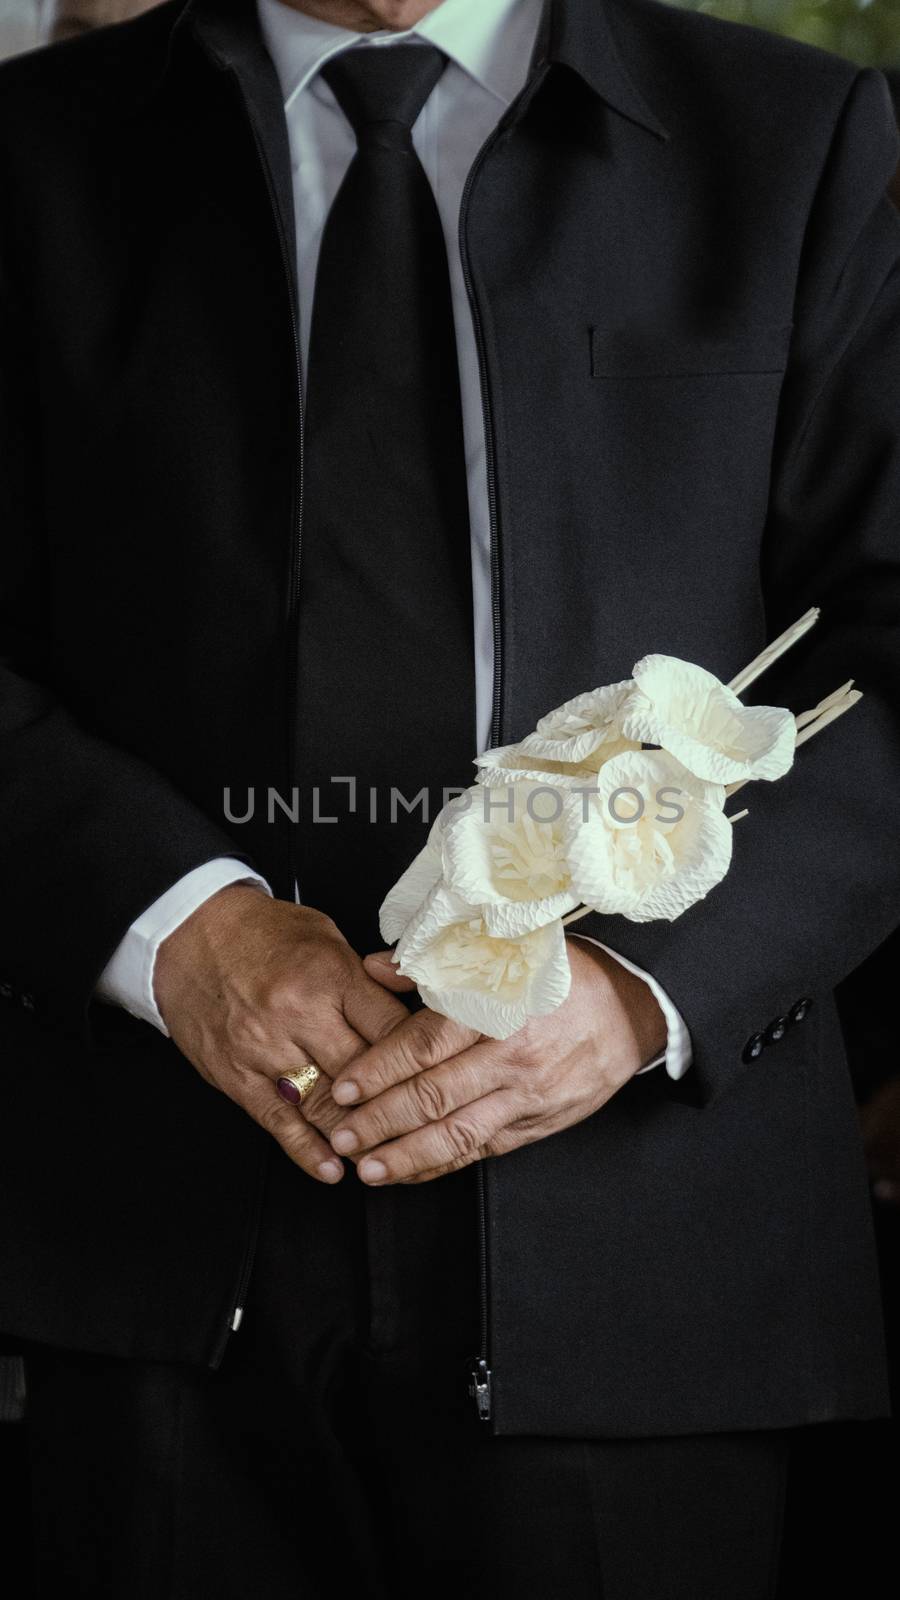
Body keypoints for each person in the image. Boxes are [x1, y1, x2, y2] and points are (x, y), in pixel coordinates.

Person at [1, 0, 898, 1594]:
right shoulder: (32, 154)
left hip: (649, 1267)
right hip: (134, 1248)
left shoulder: (807, 142)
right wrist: (179, 933)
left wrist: (643, 993)